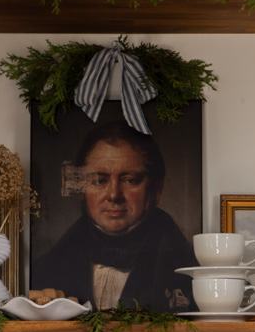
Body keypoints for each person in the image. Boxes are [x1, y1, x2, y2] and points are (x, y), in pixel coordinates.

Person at [32, 120, 196, 313]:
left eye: (130, 180)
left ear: (156, 190)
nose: (113, 195)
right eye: (100, 180)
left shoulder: (184, 268)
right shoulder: (48, 268)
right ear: (82, 188)